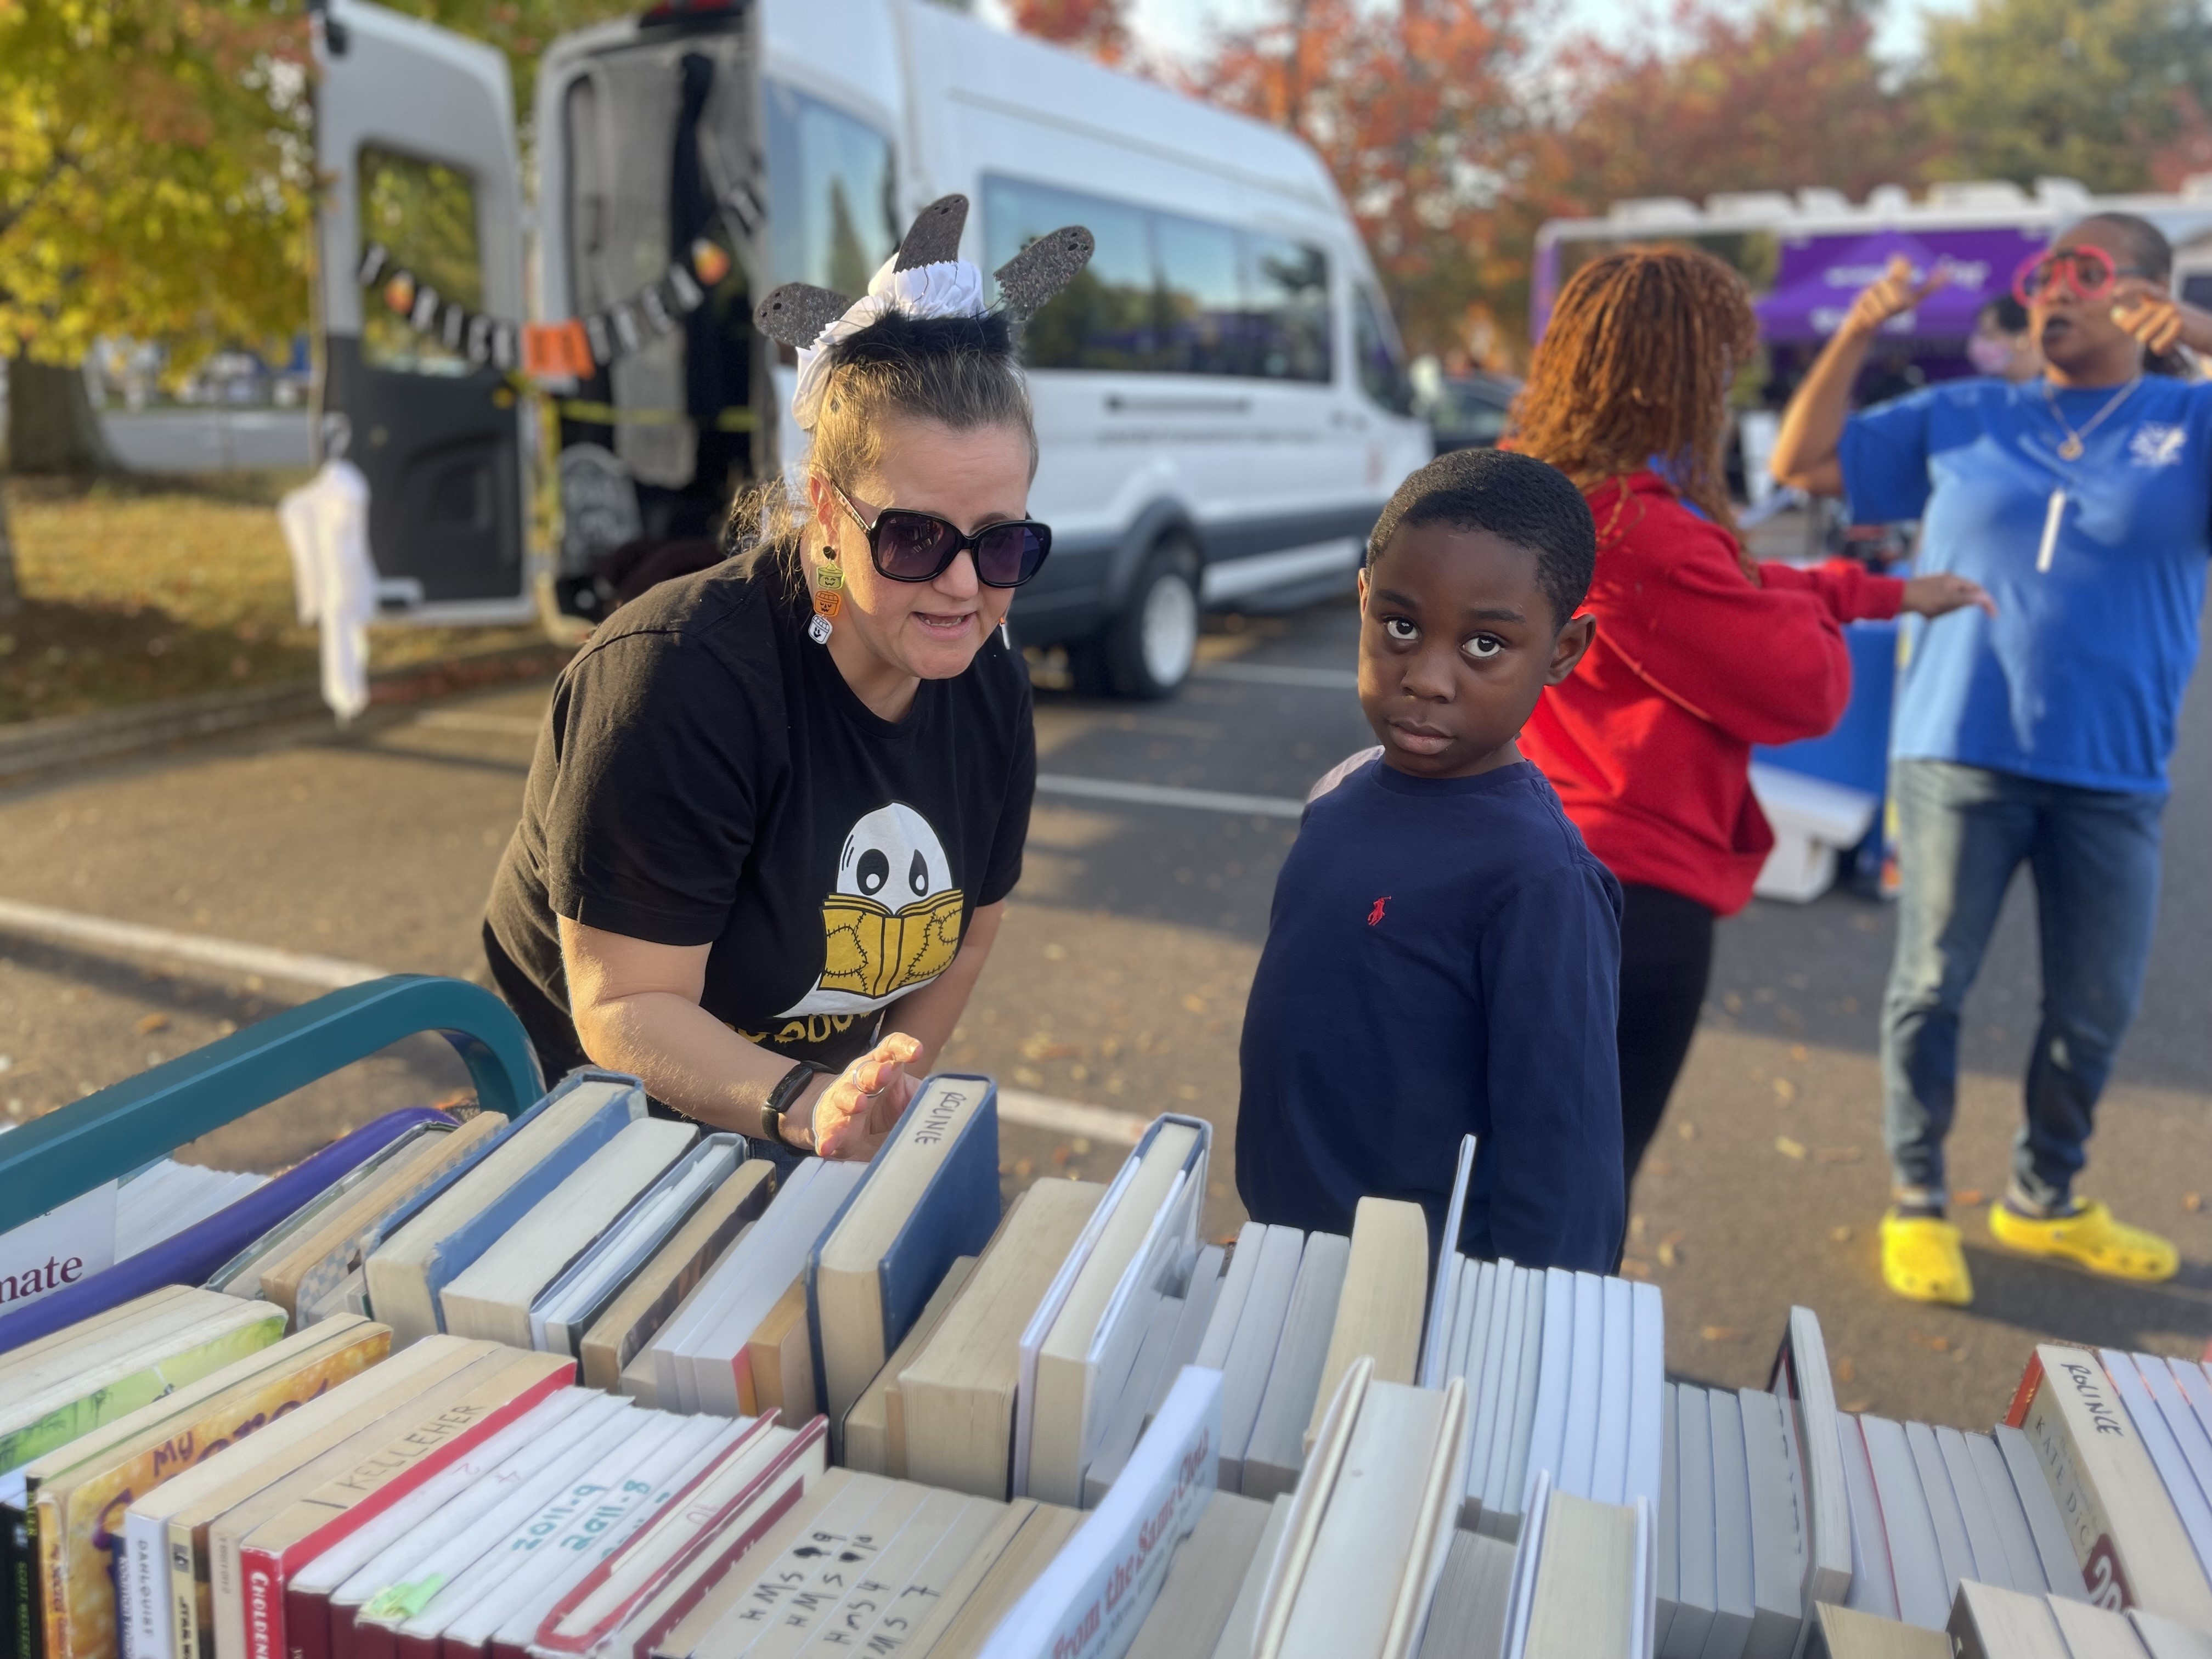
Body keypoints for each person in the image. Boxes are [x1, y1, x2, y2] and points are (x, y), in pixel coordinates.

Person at [481, 196, 1092, 1161]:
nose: (965, 583)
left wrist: (880, 1085)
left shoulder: (988, 681)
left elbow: (970, 932)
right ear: (825, 508)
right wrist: (809, 1103)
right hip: (593, 1125)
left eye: (1003, 540)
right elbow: (626, 1004)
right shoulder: (675, 681)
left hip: (798, 1113)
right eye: (915, 535)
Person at [1770, 212, 2210, 1304]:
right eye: (2043, 273)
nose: (2054, 290)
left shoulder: (2191, 421)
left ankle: (2044, 1196)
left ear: (2146, 295)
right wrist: (1859, 332)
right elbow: (1799, 461)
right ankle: (1918, 1198)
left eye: (2086, 272)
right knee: (1930, 984)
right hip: (1958, 753)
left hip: (2114, 773)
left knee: (2093, 1006)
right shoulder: (1967, 413)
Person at [1508, 246, 1992, 1191]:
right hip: (1629, 896)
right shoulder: (1642, 532)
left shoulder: (1528, 496)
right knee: (1581, 1192)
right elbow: (1803, 688)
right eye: (1718, 371)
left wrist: (1873, 593)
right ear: (1674, 384)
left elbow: (1736, 584)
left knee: (1498, 1172)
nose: (1726, 394)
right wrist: (1831, 613)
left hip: (1519, 856)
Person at [1235, 446, 1624, 1273]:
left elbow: (1566, 1169)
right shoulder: (1338, 794)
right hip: (1288, 1253)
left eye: (1485, 644)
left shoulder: (1540, 880)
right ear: (1365, 600)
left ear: (1563, 650)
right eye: (1402, 628)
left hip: (1424, 1300)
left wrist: (1528, 1338)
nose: (1429, 678)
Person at [1970, 294, 2042, 384]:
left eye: (1989, 334)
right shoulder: (2002, 391)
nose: (1981, 342)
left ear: (2024, 338)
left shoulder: (2055, 388)